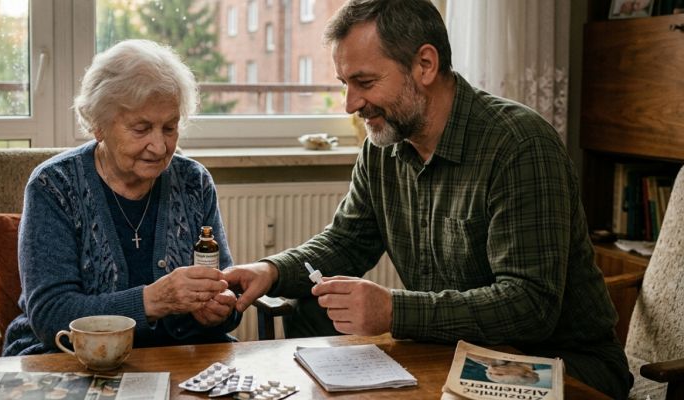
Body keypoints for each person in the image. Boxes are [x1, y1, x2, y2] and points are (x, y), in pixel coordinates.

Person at [222, 1, 632, 398]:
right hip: (455, 353)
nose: (351, 104)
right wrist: (269, 270)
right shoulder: (383, 146)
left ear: (425, 65)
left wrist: (395, 312)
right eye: (344, 84)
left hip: (562, 364)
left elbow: (530, 305)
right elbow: (345, 242)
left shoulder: (520, 145)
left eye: (364, 82)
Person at [4, 39, 239, 355]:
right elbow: (51, 316)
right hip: (72, 357)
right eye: (141, 129)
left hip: (178, 355)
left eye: (169, 128)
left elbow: (224, 289)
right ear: (98, 125)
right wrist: (153, 300)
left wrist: (219, 311)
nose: (159, 146)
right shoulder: (53, 186)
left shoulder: (194, 182)